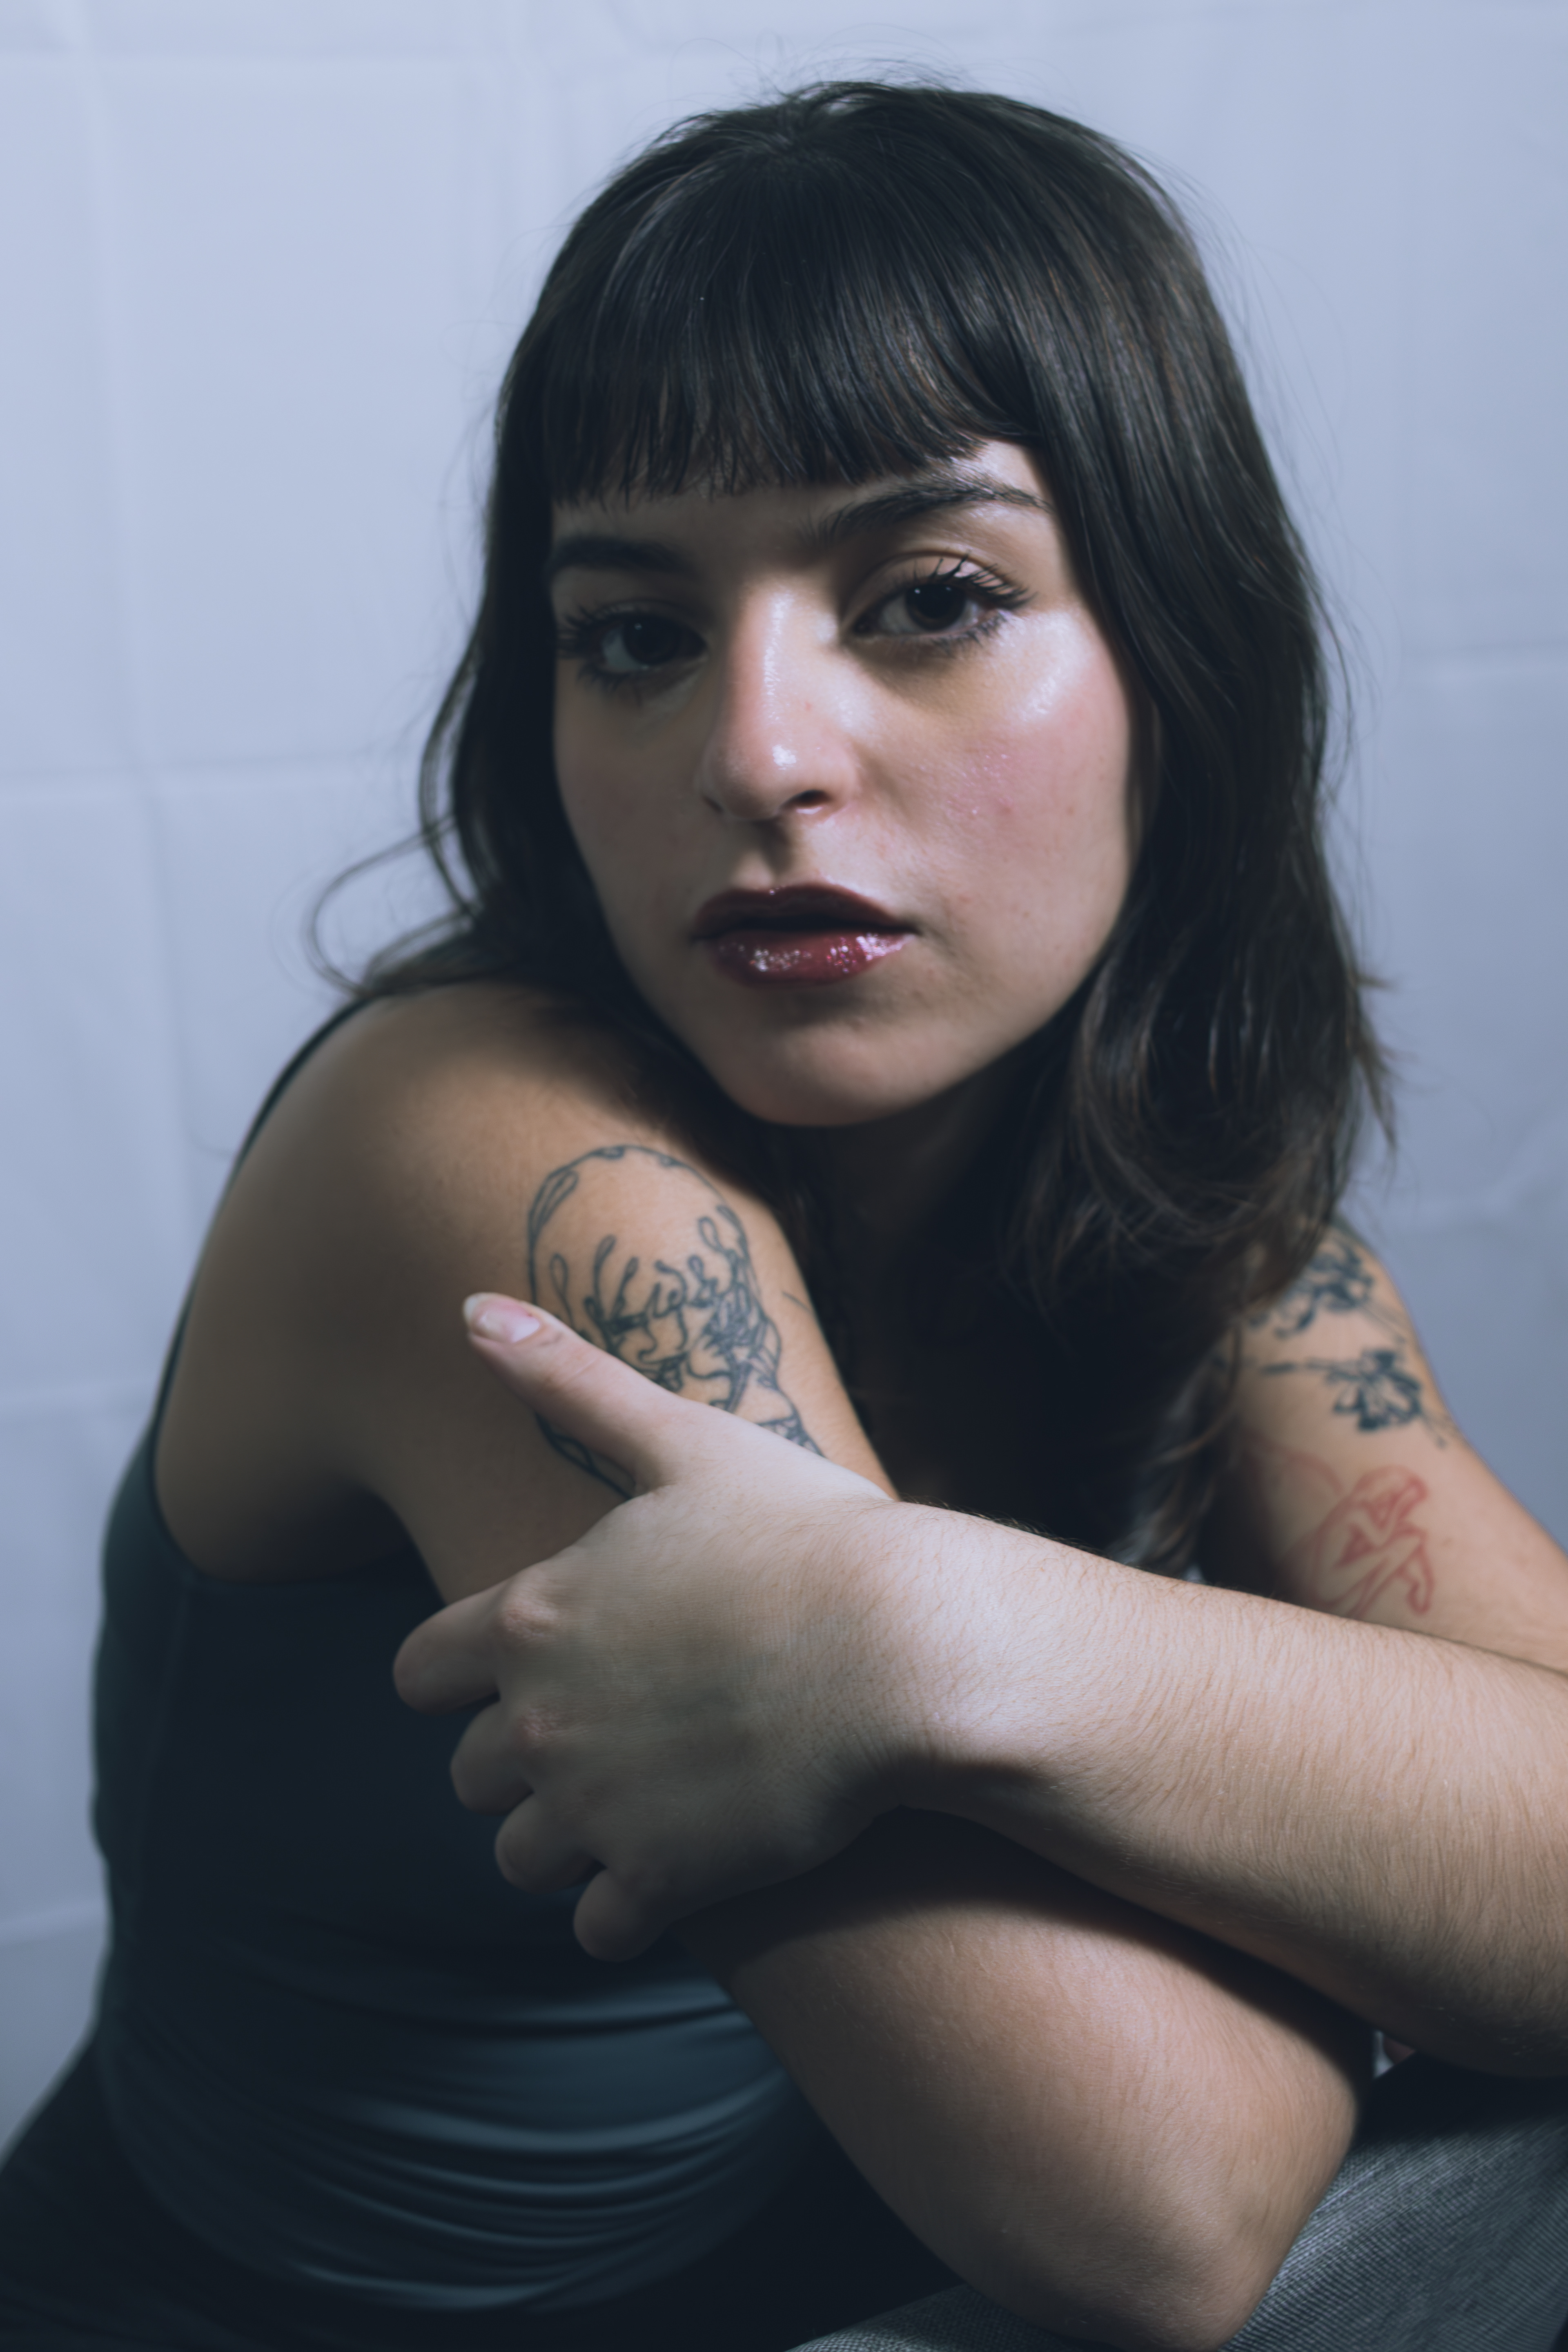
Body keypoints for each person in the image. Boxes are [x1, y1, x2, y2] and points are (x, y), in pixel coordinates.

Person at [3, 76, 1567, 2352]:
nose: (755, 753)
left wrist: (921, 1631)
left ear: (1183, 662)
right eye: (633, 634)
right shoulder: (492, 1158)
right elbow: (1168, 2207)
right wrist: (1372, 1872)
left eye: (931, 599)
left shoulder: (1203, 1224)